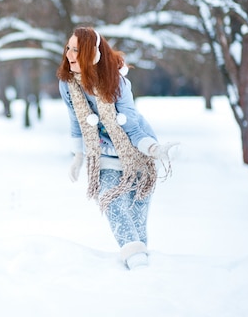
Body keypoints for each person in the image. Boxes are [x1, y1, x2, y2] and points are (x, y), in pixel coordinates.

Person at [57, 26, 176, 270]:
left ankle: (146, 273)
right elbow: (75, 122)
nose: (69, 54)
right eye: (68, 47)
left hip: (137, 154)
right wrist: (78, 155)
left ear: (92, 54)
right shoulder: (68, 85)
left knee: (137, 219)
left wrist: (153, 149)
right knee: (110, 201)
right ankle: (135, 259)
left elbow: (132, 127)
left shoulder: (117, 83)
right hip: (104, 156)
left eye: (77, 50)